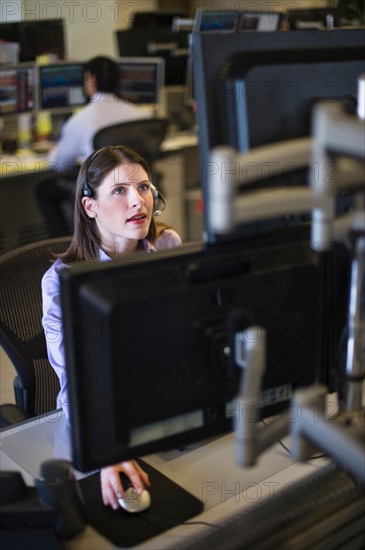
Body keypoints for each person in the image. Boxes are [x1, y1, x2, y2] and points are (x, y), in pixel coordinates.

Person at [41, 145, 182, 509]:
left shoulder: (166, 245)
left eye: (144, 187)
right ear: (90, 207)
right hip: (100, 418)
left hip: (166, 405)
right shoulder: (61, 282)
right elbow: (75, 381)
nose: (138, 201)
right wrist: (104, 448)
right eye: (119, 191)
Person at [37, 56, 152, 236]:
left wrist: (54, 149)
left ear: (91, 79)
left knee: (44, 189)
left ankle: (65, 250)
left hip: (102, 190)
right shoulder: (141, 114)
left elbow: (58, 164)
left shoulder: (81, 119)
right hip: (136, 190)